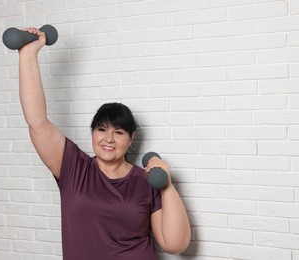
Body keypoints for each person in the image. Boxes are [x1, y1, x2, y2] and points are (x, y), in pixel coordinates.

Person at [18, 27, 191, 260]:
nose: (108, 139)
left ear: (131, 140)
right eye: (101, 130)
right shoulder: (74, 168)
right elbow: (37, 121)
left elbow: (174, 244)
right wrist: (28, 54)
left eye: (118, 132)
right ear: (92, 134)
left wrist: (167, 184)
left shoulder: (146, 182)